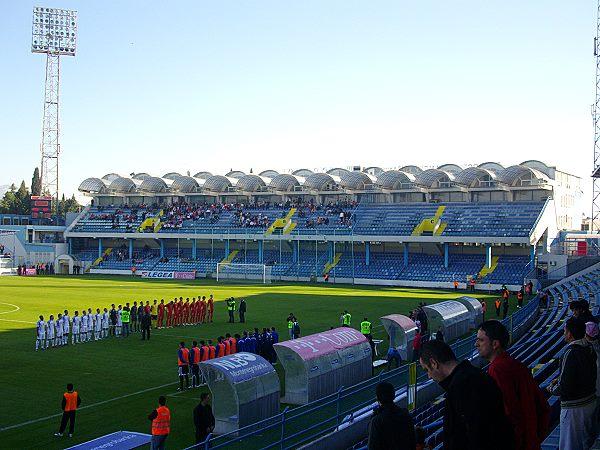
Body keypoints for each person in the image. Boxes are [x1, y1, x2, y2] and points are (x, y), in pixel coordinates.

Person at [419, 340, 514, 450]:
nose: (429, 376)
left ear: (434, 363)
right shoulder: (475, 376)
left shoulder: (462, 387)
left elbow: (476, 437)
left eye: (426, 370)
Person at [476, 320, 550, 450]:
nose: (476, 344)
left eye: (481, 340)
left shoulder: (498, 369)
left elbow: (509, 413)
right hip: (530, 441)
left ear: (495, 344)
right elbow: (542, 406)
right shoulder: (516, 365)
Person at [547, 317, 598, 449]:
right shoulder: (590, 348)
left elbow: (565, 387)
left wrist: (551, 388)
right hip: (589, 401)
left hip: (575, 408)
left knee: (570, 445)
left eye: (565, 330)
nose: (564, 333)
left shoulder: (570, 352)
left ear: (569, 333)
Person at [367, 381, 415, 450]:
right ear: (394, 395)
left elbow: (372, 447)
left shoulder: (377, 421)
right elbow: (412, 441)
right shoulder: (405, 414)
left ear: (377, 397)